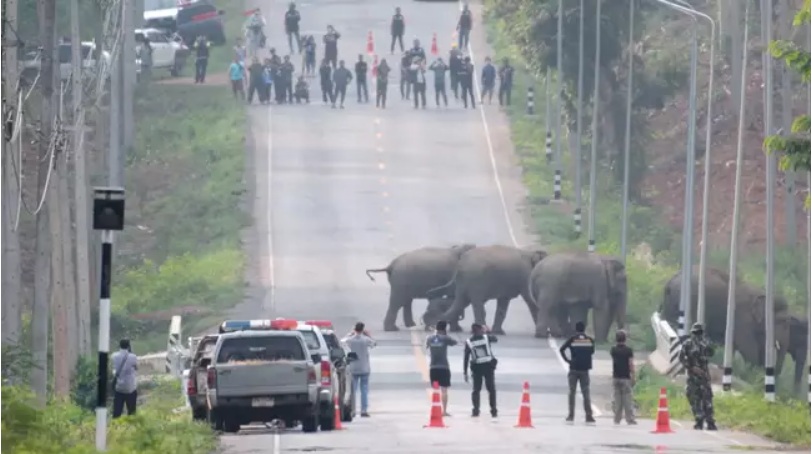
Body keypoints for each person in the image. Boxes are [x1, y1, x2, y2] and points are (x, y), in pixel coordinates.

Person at [679, 322, 717, 430]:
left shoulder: (689, 343)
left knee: (700, 398)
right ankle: (706, 420)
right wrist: (692, 366)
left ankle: (704, 420)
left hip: (698, 376)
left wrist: (691, 367)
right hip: (700, 375)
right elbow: (711, 353)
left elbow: (681, 358)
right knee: (704, 398)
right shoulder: (702, 343)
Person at [559, 321, 596, 423]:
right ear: (584, 329)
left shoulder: (572, 339)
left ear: (576, 329)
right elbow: (592, 351)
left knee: (572, 392)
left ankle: (571, 415)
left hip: (574, 369)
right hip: (585, 369)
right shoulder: (590, 340)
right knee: (586, 392)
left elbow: (561, 349)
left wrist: (567, 360)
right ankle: (588, 416)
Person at [463, 323, 498, 418]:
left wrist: (465, 373)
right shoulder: (486, 337)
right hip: (488, 367)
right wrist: (489, 331)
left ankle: (475, 411)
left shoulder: (469, 342)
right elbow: (495, 339)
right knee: (491, 389)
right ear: (480, 330)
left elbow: (466, 358)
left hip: (477, 368)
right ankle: (493, 411)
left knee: (476, 390)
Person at [342, 322, 376, 417]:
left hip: (353, 367)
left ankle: (352, 410)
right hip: (364, 367)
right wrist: (368, 335)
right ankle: (364, 410)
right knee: (364, 390)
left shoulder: (351, 340)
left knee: (353, 390)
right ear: (362, 329)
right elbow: (374, 343)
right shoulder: (366, 340)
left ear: (355, 329)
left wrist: (350, 333)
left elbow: (342, 341)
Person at [425, 321, 458, 417]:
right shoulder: (446, 338)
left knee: (435, 390)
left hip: (433, 367)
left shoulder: (430, 338)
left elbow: (426, 346)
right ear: (444, 329)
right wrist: (445, 335)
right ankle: (444, 411)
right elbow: (454, 342)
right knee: (444, 390)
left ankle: (435, 408)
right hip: (444, 367)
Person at [610, 329, 637, 425]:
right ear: (625, 339)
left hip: (616, 377)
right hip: (625, 377)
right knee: (627, 399)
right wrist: (633, 375)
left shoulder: (613, 350)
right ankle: (629, 418)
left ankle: (617, 418)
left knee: (617, 399)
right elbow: (630, 364)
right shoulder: (628, 350)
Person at [112, 339, 138, 418]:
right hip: (130, 388)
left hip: (119, 388)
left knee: (117, 412)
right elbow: (136, 368)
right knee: (131, 412)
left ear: (119, 346)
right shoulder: (133, 357)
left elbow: (114, 368)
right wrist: (131, 351)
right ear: (129, 346)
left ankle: (116, 426)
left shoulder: (114, 356)